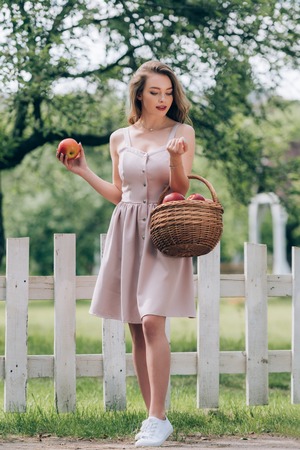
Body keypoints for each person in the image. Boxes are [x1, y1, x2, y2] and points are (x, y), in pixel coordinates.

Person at [56, 60, 196, 447]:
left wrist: (173, 157)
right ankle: (154, 419)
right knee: (136, 326)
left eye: (168, 93)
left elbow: (181, 188)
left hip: (163, 229)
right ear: (139, 94)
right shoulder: (120, 138)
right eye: (155, 92)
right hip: (126, 228)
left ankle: (158, 416)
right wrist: (84, 171)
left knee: (153, 321)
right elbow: (120, 194)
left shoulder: (182, 132)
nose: (163, 99)